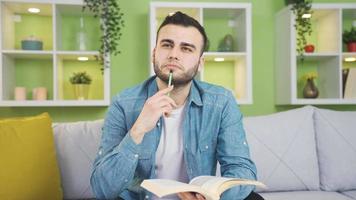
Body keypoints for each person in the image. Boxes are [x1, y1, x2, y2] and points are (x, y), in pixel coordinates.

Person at [90, 11, 264, 200]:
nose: (174, 55)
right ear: (154, 53)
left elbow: (242, 171)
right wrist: (138, 129)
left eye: (186, 49)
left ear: (200, 63)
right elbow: (102, 188)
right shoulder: (123, 103)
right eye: (167, 45)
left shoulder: (221, 102)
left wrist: (211, 197)